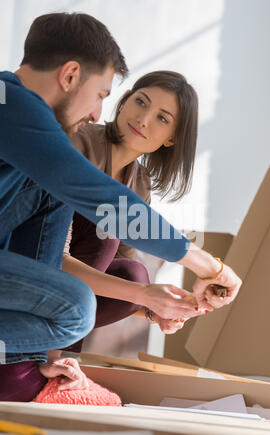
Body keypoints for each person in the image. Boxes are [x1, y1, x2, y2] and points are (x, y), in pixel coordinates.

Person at [0, 12, 241, 401]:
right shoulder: (13, 105)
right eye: (100, 94)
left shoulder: (14, 103)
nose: (97, 112)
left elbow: (102, 206)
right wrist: (209, 266)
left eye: (162, 118)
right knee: (77, 309)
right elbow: (103, 199)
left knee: (106, 254)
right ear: (70, 75)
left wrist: (151, 303)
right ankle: (23, 366)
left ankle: (29, 362)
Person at [61, 70, 200, 354]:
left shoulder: (140, 184)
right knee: (106, 232)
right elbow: (53, 257)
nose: (143, 119)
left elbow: (120, 268)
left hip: (67, 293)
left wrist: (151, 309)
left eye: (162, 118)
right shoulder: (80, 144)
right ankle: (58, 356)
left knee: (135, 273)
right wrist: (145, 297)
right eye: (141, 102)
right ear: (124, 100)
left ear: (171, 139)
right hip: (34, 266)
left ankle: (56, 352)